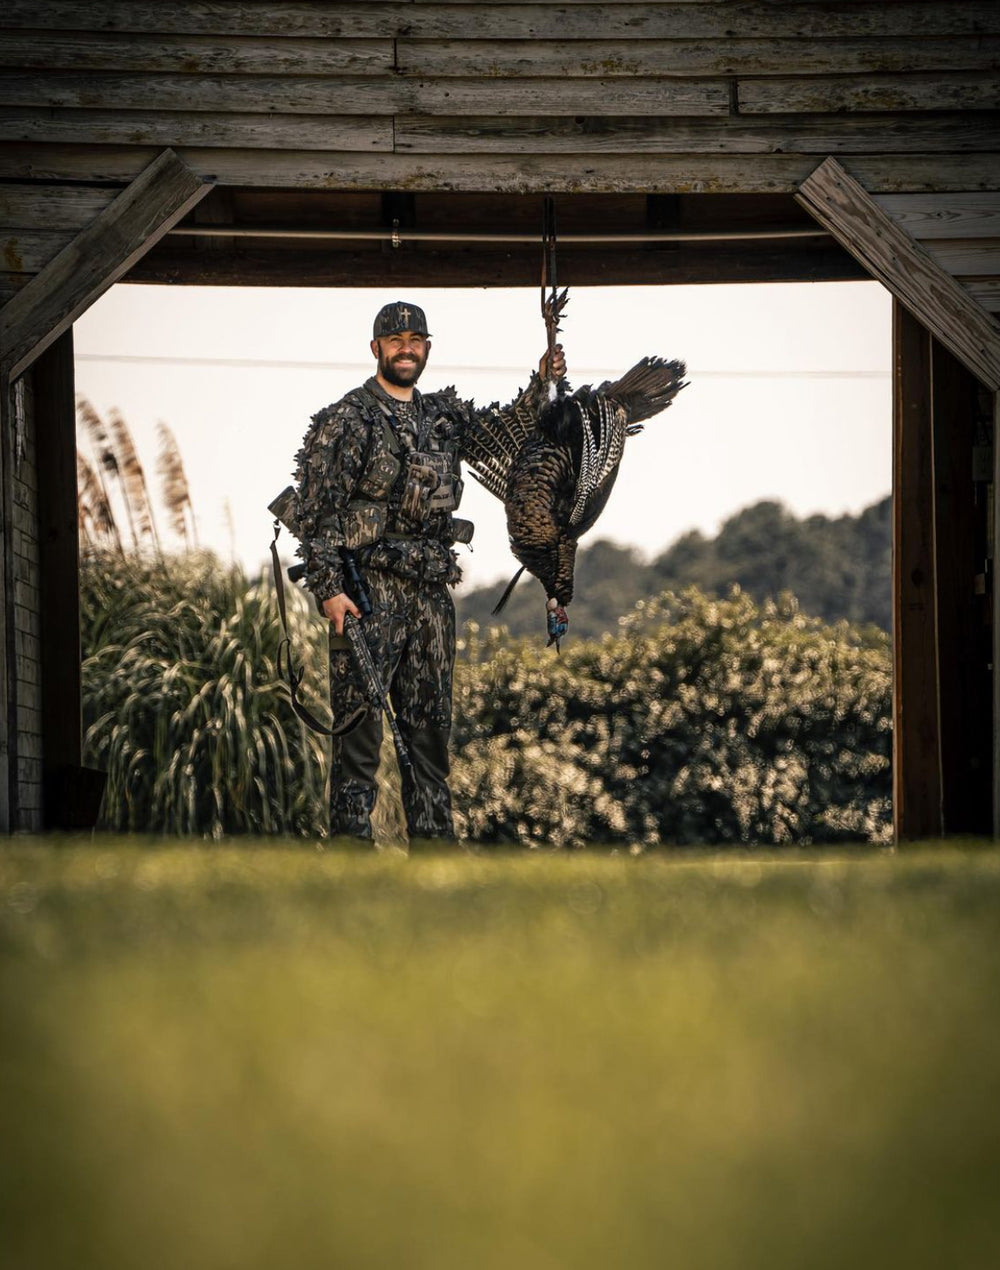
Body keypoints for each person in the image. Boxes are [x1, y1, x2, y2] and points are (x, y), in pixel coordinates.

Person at [293, 300, 565, 849]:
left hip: (431, 595)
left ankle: (435, 849)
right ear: (376, 349)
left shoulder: (444, 416)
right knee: (359, 734)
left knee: (430, 731)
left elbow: (506, 426)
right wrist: (329, 591)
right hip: (366, 592)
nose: (406, 348)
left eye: (416, 339)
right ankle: (350, 850)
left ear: (427, 349)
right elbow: (316, 511)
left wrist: (542, 381)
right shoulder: (346, 419)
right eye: (395, 340)